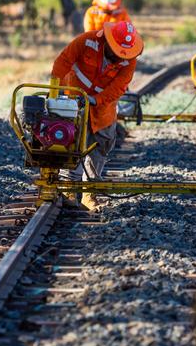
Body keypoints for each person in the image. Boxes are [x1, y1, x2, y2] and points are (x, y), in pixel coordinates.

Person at [51, 21, 143, 210]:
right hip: (73, 101)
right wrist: (55, 91)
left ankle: (89, 194)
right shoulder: (86, 41)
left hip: (103, 108)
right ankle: (69, 189)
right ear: (108, 42)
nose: (120, 57)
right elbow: (63, 61)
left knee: (100, 146)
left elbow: (119, 87)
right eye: (117, 52)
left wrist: (96, 100)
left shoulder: (130, 60)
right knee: (72, 142)